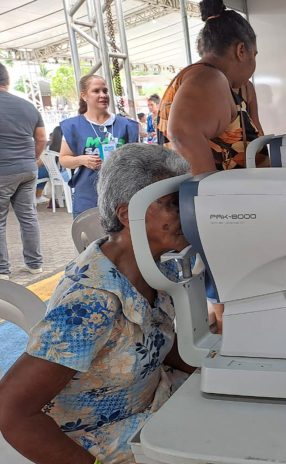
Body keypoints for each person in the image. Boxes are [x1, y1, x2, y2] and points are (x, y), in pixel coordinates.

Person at [0, 144, 195, 464]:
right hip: (106, 444)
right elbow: (12, 411)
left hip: (155, 408)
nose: (187, 212)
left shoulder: (154, 268)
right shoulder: (92, 304)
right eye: (174, 204)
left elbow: (155, 340)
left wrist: (218, 367)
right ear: (126, 213)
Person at [158, 0, 261, 174]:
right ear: (241, 51)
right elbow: (181, 134)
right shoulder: (208, 78)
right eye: (254, 54)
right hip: (218, 198)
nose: (254, 63)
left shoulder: (232, 85)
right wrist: (210, 195)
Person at [58, 74, 140, 217]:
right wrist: (81, 160)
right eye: (96, 91)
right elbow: (64, 159)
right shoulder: (73, 126)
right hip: (88, 196)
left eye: (105, 91)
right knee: (90, 237)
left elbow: (137, 159)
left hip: (121, 194)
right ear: (84, 96)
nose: (102, 95)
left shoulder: (126, 125)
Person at [0, 63, 45, 279]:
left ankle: (2, 270)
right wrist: (34, 158)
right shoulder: (28, 106)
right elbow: (42, 138)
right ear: (7, 82)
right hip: (27, 169)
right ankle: (35, 264)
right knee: (28, 217)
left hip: (3, 170)